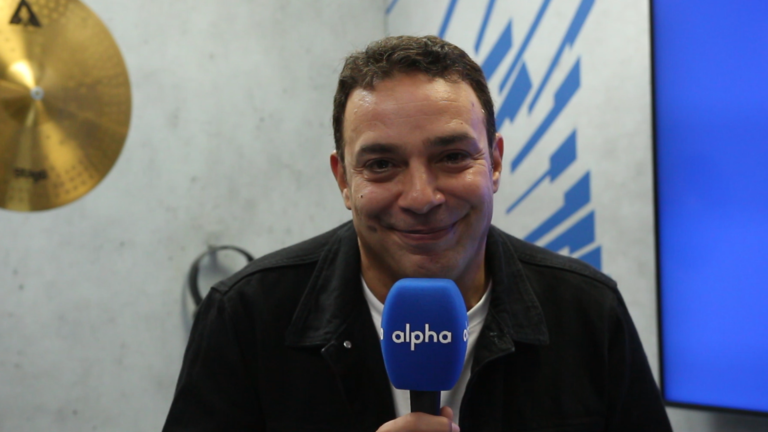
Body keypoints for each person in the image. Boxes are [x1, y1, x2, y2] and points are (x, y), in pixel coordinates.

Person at [162, 35, 673, 432]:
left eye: (452, 156)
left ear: (495, 162)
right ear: (344, 180)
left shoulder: (588, 313)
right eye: (382, 164)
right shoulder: (246, 317)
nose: (421, 197)